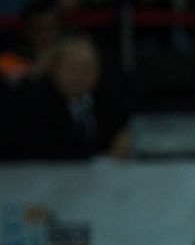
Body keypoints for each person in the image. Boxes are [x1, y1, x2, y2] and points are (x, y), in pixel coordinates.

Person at [1, 33, 129, 161]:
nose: (79, 75)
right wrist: (104, 157)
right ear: (54, 69)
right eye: (71, 67)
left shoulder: (109, 101)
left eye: (87, 68)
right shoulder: (32, 105)